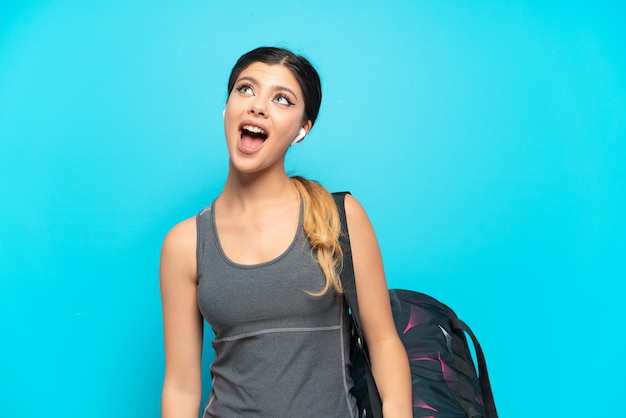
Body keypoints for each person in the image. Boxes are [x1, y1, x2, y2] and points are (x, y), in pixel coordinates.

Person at [159, 46, 412, 417]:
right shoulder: (184, 243)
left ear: (302, 130)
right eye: (245, 89)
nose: (258, 106)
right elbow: (180, 387)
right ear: (225, 109)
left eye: (282, 99)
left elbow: (384, 342)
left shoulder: (338, 218)